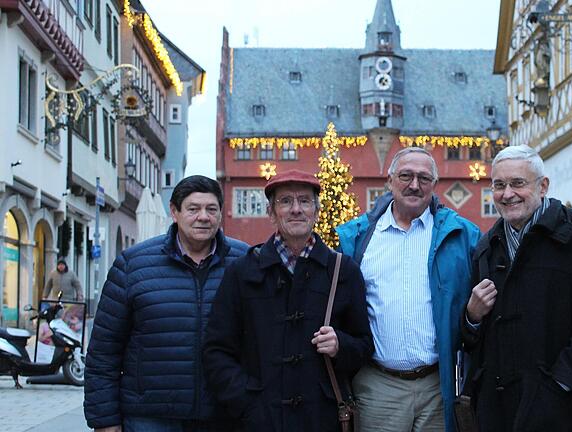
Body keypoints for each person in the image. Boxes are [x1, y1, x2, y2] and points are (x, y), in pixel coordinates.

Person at [461, 145, 572, 431]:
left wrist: (557, 390)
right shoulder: (487, 248)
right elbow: (474, 342)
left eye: (518, 183)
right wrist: (471, 318)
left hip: (559, 414)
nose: (507, 193)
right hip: (496, 415)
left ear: (543, 186)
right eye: (499, 185)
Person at [203, 169, 373, 431]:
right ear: (271, 213)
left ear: (315, 211)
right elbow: (217, 350)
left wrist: (341, 345)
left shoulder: (343, 271)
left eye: (304, 201)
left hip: (321, 419)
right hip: (259, 420)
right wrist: (246, 401)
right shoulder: (242, 271)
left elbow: (364, 345)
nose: (296, 209)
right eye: (286, 201)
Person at [84, 175, 249, 432]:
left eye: (211, 209)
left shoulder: (245, 262)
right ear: (175, 211)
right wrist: (105, 420)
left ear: (220, 213)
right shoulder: (133, 265)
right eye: (193, 209)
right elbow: (104, 352)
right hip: (149, 416)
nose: (203, 216)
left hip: (224, 414)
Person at [336, 147, 481, 432]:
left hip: (436, 386)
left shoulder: (462, 235)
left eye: (424, 178)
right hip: (378, 385)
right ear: (390, 180)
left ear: (434, 185)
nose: (414, 185)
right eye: (406, 176)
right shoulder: (358, 238)